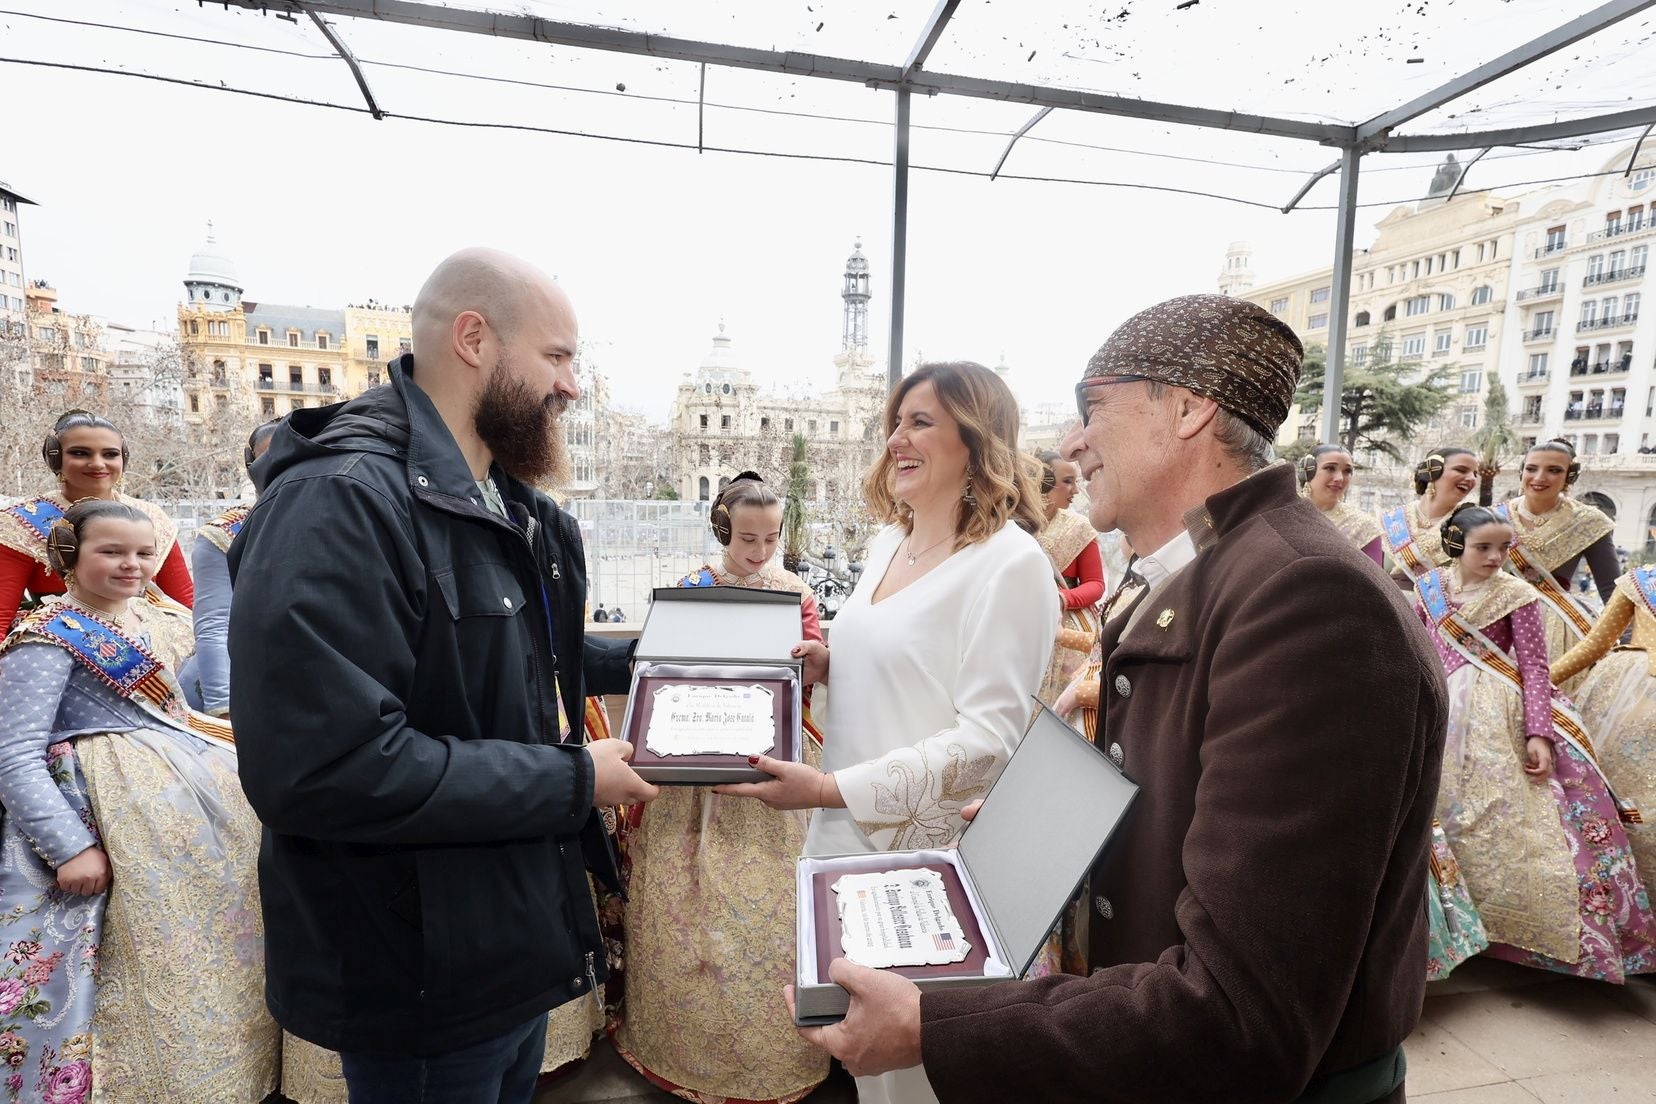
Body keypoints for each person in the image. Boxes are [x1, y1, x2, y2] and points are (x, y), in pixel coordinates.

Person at [789, 294, 1447, 1104]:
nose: (1072, 443)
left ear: (1189, 409)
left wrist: (938, 1025)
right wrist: (1036, 839)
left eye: (1093, 408)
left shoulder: (1307, 598)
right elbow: (1191, 810)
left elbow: (1240, 1014)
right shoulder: (1205, 570)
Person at [227, 247, 659, 1104]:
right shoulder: (341, 502)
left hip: (504, 945)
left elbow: (521, 658)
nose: (574, 387)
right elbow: (327, 769)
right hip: (417, 968)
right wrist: (577, 780)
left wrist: (699, 656)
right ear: (473, 338)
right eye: (559, 357)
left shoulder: (506, 502)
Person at [720, 359, 1056, 1104]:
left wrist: (833, 787)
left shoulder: (1011, 566)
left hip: (927, 874)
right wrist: (828, 662)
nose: (897, 438)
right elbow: (905, 665)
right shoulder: (885, 544)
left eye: (921, 422)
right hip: (842, 846)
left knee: (919, 1080)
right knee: (870, 1075)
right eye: (895, 423)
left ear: (976, 439)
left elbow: (989, 738)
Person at [0, 498, 278, 1099]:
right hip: (109, 828)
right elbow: (13, 754)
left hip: (181, 823)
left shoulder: (152, 622)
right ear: (70, 556)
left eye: (144, 552)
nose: (133, 565)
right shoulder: (43, 638)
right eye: (112, 552)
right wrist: (68, 847)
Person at [613, 473, 830, 1103]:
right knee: (690, 905)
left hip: (770, 762)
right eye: (747, 539)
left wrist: (806, 661)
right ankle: (683, 1045)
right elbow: (667, 665)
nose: (760, 552)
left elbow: (806, 677)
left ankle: (772, 1051)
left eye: (770, 539)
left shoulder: (795, 593)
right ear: (723, 531)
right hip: (696, 762)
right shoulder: (694, 589)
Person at [1413, 504, 1655, 982]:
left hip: (1500, 714)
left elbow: (1535, 668)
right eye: (1484, 547)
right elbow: (1421, 647)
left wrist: (1538, 732)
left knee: (1511, 819)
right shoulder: (1429, 589)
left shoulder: (1518, 595)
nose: (1496, 556)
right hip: (1441, 707)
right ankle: (1456, 928)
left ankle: (1525, 938)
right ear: (1457, 545)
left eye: (1504, 547)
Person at [0, 410, 194, 636]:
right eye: (80, 453)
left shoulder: (150, 516)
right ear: (55, 457)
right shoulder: (20, 522)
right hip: (64, 651)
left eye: (110, 454)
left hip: (149, 652)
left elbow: (185, 604)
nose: (97, 464)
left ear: (124, 458)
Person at [1549, 564, 1656, 902]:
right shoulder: (1641, 581)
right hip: (1627, 705)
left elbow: (1595, 646)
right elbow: (1594, 645)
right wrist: (1534, 685)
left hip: (1625, 698)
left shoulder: (1644, 581)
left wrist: (1535, 685)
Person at [1493, 439, 1618, 696]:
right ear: (1522, 471)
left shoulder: (1589, 522)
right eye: (1531, 468)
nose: (1539, 477)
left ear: (1569, 476)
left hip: (1554, 631)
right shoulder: (1493, 516)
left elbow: (1612, 591)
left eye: (1554, 470)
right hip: (1495, 617)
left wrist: (1632, 649)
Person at [191, 418, 282, 719]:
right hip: (260, 681)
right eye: (273, 457)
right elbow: (215, 626)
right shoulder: (221, 536)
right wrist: (224, 710)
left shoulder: (349, 518)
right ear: (250, 465)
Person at [1033, 450, 1105, 707]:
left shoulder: (1079, 528)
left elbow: (1096, 585)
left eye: (1075, 480)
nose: (1075, 489)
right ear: (1042, 481)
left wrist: (1063, 598)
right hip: (1027, 626)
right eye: (1067, 481)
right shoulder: (1014, 525)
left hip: (1068, 633)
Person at [1380, 445, 1478, 584]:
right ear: (1431, 472)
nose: (1471, 479)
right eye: (1461, 470)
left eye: (1475, 474)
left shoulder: (1475, 525)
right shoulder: (1390, 520)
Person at [1300, 444, 1383, 565]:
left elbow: (1375, 581)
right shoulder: (1285, 513)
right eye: (1330, 468)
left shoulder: (1364, 527)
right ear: (1308, 471)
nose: (1340, 478)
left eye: (1347, 471)